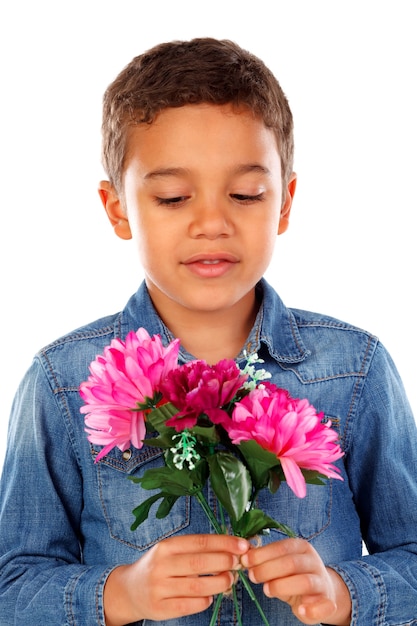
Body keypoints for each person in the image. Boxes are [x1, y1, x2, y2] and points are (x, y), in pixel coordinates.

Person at [0, 37, 416, 626]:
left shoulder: (355, 368)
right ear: (118, 209)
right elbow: (12, 583)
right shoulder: (62, 382)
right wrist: (123, 593)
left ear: (285, 202)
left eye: (246, 194)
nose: (212, 223)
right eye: (172, 197)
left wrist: (345, 592)